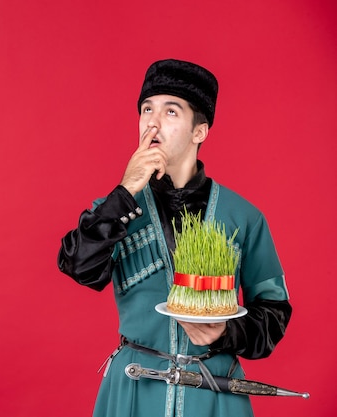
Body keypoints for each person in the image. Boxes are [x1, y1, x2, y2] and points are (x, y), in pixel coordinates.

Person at [57, 59, 292, 417]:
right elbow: (77, 266)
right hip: (134, 390)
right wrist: (125, 190)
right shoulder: (115, 207)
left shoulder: (243, 216)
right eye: (146, 109)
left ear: (200, 131)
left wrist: (225, 333)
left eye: (171, 111)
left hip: (214, 392)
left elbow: (274, 311)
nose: (153, 121)